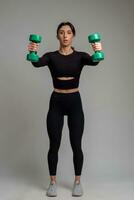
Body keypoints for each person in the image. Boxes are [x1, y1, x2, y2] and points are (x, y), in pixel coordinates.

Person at [27, 21, 102, 197]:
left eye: (68, 32)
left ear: (73, 35)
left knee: (76, 144)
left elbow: (96, 60)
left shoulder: (81, 56)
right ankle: (52, 183)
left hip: (74, 101)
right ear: (57, 36)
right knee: (54, 145)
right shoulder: (51, 56)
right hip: (57, 102)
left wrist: (97, 48)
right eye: (62, 32)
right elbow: (36, 63)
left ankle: (77, 182)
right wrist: (32, 50)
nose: (65, 35)